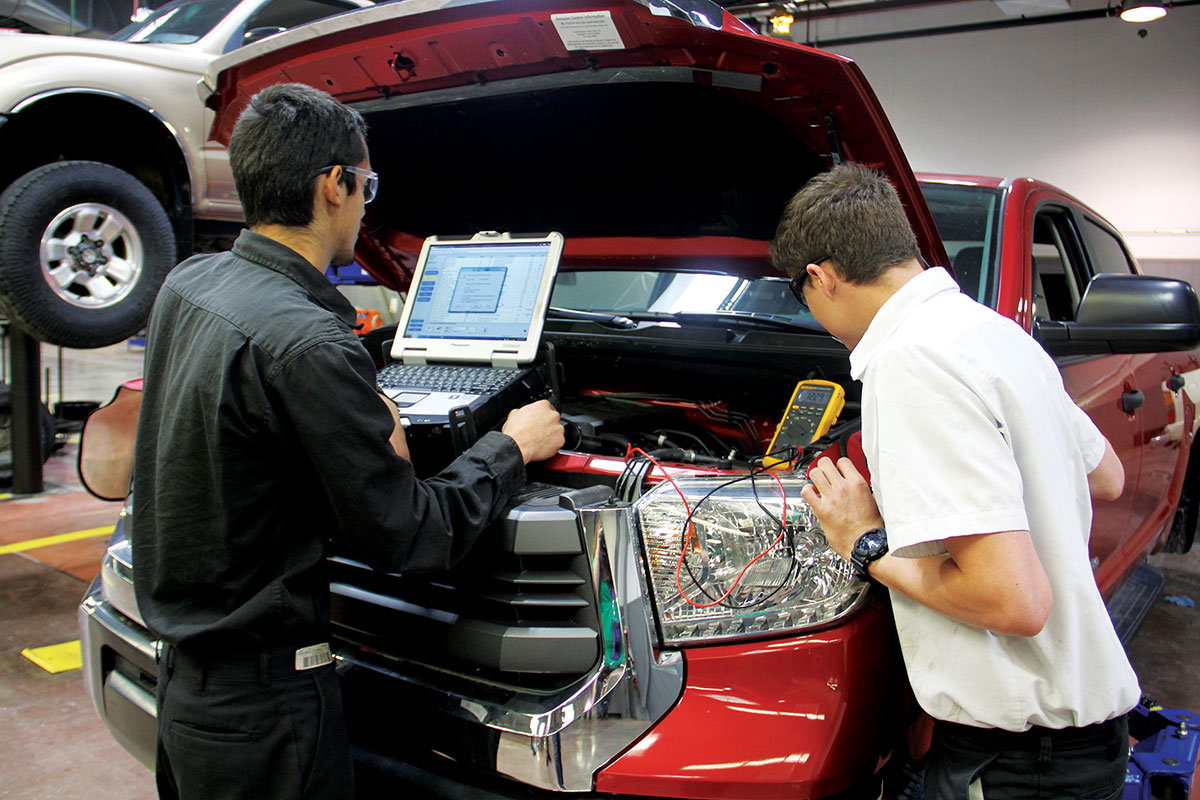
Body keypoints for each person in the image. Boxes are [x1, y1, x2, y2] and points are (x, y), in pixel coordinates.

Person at [131, 83, 564, 800]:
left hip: (188, 691)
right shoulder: (307, 345)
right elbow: (412, 537)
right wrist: (512, 447)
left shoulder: (189, 284)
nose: (366, 201)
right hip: (270, 717)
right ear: (335, 185)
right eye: (365, 184)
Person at [770, 163, 1137, 799]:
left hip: (1015, 767)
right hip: (1078, 744)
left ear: (820, 279)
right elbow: (1106, 475)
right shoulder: (997, 336)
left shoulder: (909, 361)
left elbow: (1013, 601)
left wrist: (865, 542)